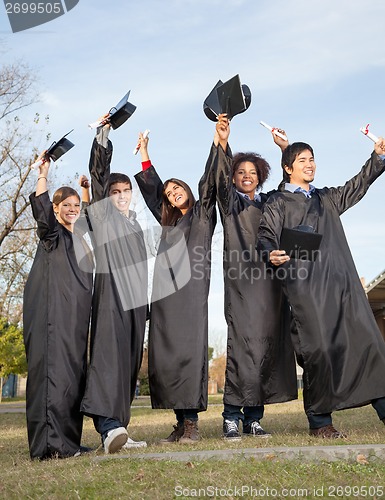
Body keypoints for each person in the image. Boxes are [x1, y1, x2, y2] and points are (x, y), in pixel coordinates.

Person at [257, 137, 385, 437]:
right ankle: (320, 422)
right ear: (288, 168)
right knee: (319, 352)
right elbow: (265, 235)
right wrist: (269, 253)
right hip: (306, 291)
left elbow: (358, 185)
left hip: (342, 287)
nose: (310, 163)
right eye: (302, 160)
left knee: (369, 345)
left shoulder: (326, 199)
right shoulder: (278, 202)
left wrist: (377, 157)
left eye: (312, 158)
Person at [214, 115, 297, 440]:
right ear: (234, 177)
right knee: (242, 346)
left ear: (260, 176)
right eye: (240, 172)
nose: (246, 176)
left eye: (252, 172)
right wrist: (223, 142)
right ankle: (231, 416)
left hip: (271, 282)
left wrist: (285, 148)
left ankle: (254, 418)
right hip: (242, 281)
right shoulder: (230, 203)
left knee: (265, 347)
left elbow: (290, 192)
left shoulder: (270, 203)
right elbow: (219, 181)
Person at [134, 129, 218, 444]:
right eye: (169, 192)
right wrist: (145, 153)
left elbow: (209, 182)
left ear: (187, 190)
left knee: (189, 354)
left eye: (177, 187)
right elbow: (152, 192)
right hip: (166, 297)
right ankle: (180, 423)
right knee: (168, 357)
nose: (172, 192)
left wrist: (218, 142)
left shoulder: (202, 215)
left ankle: (193, 423)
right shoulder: (169, 224)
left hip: (191, 294)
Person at [80, 123, 147, 453]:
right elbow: (98, 174)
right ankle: (107, 427)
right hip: (111, 301)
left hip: (135, 305)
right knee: (109, 360)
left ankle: (120, 430)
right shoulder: (104, 218)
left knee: (128, 365)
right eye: (115, 192)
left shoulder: (134, 226)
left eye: (126, 191)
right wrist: (102, 139)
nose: (120, 196)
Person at [23, 153, 93, 459]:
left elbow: (88, 219)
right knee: (54, 376)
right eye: (67, 205)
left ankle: (70, 442)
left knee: (72, 377)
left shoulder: (76, 237)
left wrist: (85, 192)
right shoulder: (51, 235)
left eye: (76, 206)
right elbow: (41, 205)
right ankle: (52, 445)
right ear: (56, 209)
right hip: (53, 317)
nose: (73, 210)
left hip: (74, 320)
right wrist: (44, 172)